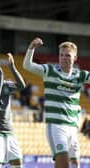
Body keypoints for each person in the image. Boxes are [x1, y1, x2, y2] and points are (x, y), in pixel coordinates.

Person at [23, 37, 90, 168]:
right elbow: (27, 66)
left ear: (75, 57)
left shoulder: (80, 75)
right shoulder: (50, 71)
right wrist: (31, 48)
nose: (64, 58)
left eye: (68, 55)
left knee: (75, 163)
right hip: (56, 126)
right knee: (64, 164)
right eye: (61, 55)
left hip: (72, 127)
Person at [0, 53, 26, 168]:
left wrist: (12, 68)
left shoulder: (6, 85)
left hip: (9, 131)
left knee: (17, 162)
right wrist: (1, 74)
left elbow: (22, 85)